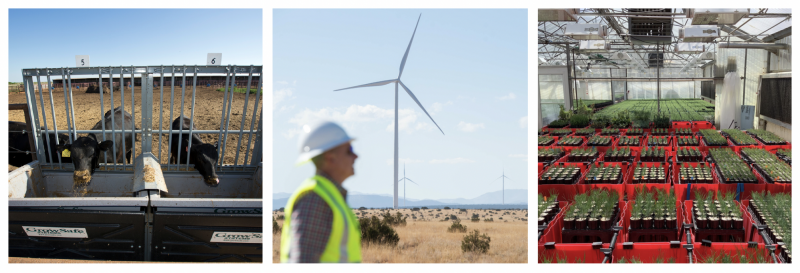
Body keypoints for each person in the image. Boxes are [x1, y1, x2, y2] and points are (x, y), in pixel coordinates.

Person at [280, 121, 361, 263]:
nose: (356, 156)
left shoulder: (329, 196)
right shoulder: (314, 199)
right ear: (331, 157)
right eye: (349, 150)